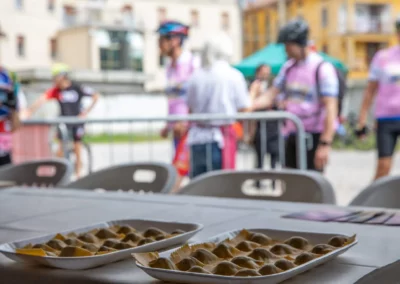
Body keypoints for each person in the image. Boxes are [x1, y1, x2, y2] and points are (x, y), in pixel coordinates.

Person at [253, 19, 339, 171]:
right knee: (290, 183)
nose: (285, 50)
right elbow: (271, 94)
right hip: (292, 134)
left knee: (311, 186)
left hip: (314, 135)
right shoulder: (288, 67)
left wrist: (325, 143)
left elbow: (331, 107)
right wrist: (248, 106)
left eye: (288, 45)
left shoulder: (322, 68)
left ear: (299, 43)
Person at [186, 32, 250, 178]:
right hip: (220, 138)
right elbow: (244, 108)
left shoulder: (196, 76)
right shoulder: (233, 75)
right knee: (221, 184)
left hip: (197, 137)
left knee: (198, 184)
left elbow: (190, 109)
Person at [27, 63, 99, 177]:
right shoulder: (57, 91)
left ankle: (78, 173)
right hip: (64, 122)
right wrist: (29, 111)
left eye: (55, 77)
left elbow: (95, 96)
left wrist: (85, 112)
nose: (54, 80)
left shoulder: (77, 88)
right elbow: (42, 99)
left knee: (77, 146)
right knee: (61, 149)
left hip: (77, 122)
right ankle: (60, 172)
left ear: (62, 76)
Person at [156, 21, 200, 191]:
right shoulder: (169, 67)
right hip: (177, 128)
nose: (159, 45)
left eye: (161, 40)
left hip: (190, 128)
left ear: (174, 40)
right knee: (182, 173)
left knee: (178, 173)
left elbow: (197, 96)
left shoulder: (192, 63)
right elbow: (174, 99)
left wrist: (186, 121)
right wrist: (168, 124)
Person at [356, 17, 400, 180]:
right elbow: (370, 91)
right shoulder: (383, 57)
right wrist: (362, 119)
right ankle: (374, 202)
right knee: (383, 166)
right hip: (387, 118)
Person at [249, 64, 280, 175]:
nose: (266, 74)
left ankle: (273, 181)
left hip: (273, 127)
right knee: (260, 157)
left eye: (268, 72)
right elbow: (250, 105)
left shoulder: (273, 84)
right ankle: (258, 181)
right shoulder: (254, 85)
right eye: (264, 72)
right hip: (260, 126)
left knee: (274, 156)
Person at [0, 68, 22, 166]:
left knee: (5, 162)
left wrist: (14, 114)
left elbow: (13, 98)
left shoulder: (7, 75)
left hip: (4, 124)